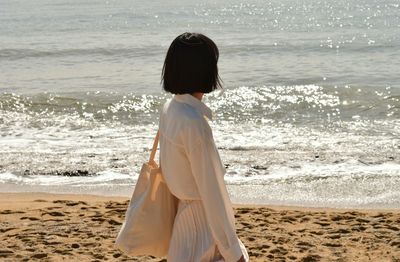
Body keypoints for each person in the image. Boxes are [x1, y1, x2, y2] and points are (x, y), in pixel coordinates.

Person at [159, 32, 249, 262]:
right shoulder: (194, 124)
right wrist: (233, 252)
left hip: (183, 225)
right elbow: (212, 194)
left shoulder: (170, 109)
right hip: (204, 231)